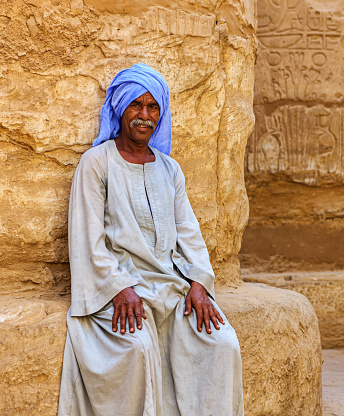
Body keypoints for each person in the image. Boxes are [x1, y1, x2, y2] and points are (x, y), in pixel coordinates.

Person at [57, 63, 244, 416]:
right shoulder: (96, 163)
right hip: (119, 292)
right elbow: (89, 240)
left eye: (153, 106)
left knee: (221, 343)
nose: (144, 116)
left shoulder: (169, 168)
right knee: (137, 350)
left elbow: (188, 232)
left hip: (172, 291)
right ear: (120, 108)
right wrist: (118, 287)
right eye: (136, 105)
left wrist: (200, 283)